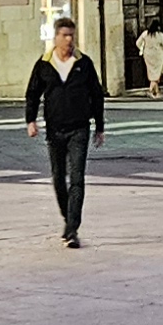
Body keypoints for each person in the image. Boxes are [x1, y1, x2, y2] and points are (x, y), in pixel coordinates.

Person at [21, 16, 105, 246]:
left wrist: (99, 126)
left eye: (71, 36)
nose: (69, 40)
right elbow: (32, 94)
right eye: (65, 35)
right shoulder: (44, 64)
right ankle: (68, 219)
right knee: (58, 178)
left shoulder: (84, 63)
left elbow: (96, 94)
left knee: (77, 178)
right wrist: (30, 120)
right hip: (55, 129)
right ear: (56, 37)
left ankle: (72, 229)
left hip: (79, 128)